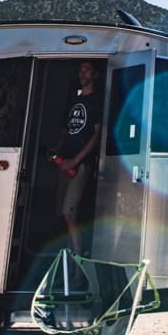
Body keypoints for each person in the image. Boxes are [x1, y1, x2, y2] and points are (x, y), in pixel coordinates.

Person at [55, 60, 104, 254]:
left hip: (81, 165)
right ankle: (69, 267)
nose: (82, 73)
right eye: (80, 70)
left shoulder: (97, 101)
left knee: (69, 213)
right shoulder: (75, 100)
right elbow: (66, 131)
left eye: (87, 70)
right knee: (65, 218)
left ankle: (77, 272)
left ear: (95, 75)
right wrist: (57, 151)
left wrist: (76, 160)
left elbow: (97, 134)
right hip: (64, 164)